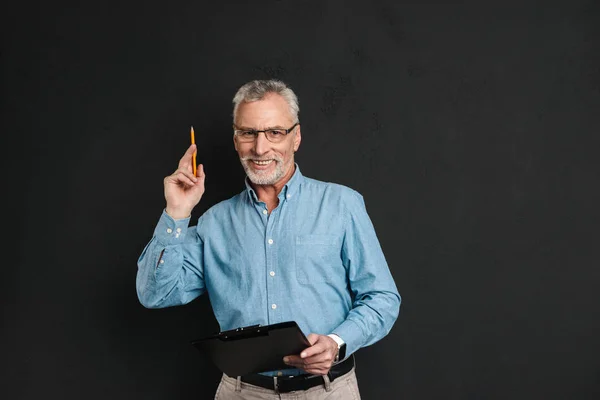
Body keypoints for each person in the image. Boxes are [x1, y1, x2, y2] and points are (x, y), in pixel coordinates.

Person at [136, 79, 401, 399]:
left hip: (328, 392)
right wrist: (177, 213)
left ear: (296, 137)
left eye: (275, 132)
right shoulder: (214, 222)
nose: (260, 148)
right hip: (242, 392)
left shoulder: (341, 205)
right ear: (236, 140)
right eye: (248, 133)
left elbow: (382, 299)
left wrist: (337, 342)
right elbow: (155, 293)